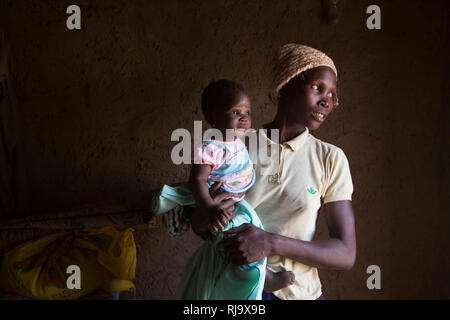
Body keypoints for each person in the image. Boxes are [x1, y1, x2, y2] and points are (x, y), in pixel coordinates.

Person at [190, 44, 357, 300]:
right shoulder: (235, 145)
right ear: (285, 86)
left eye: (333, 94)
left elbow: (345, 253)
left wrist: (270, 242)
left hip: (300, 294)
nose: (327, 101)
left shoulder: (330, 159)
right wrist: (206, 218)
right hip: (236, 290)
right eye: (318, 88)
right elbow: (200, 222)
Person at [152, 79, 293, 299]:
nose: (244, 117)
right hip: (218, 205)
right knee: (240, 235)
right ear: (213, 117)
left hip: (236, 202)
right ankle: (267, 278)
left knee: (252, 232)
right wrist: (209, 207)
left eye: (247, 111)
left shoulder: (237, 142)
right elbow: (197, 179)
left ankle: (260, 276)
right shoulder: (211, 147)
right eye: (235, 111)